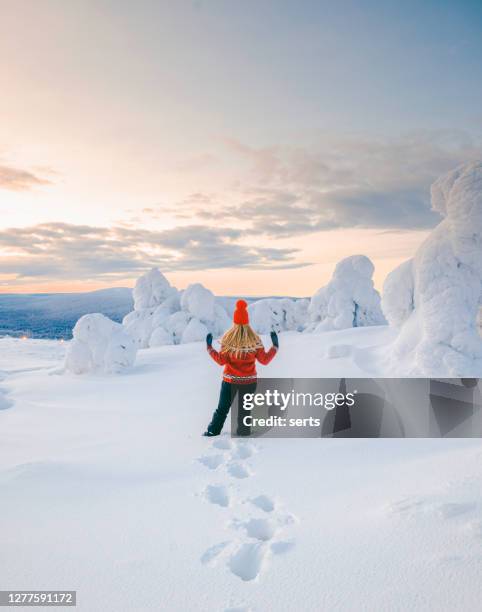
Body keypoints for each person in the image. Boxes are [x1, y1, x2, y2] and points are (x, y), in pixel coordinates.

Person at [204, 299, 279, 437]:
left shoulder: (229, 341)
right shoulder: (255, 341)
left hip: (229, 382)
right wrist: (275, 347)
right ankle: (243, 432)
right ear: (247, 321)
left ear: (235, 321)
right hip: (249, 383)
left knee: (222, 409)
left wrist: (209, 348)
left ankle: (212, 431)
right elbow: (264, 360)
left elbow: (221, 361)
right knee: (245, 410)